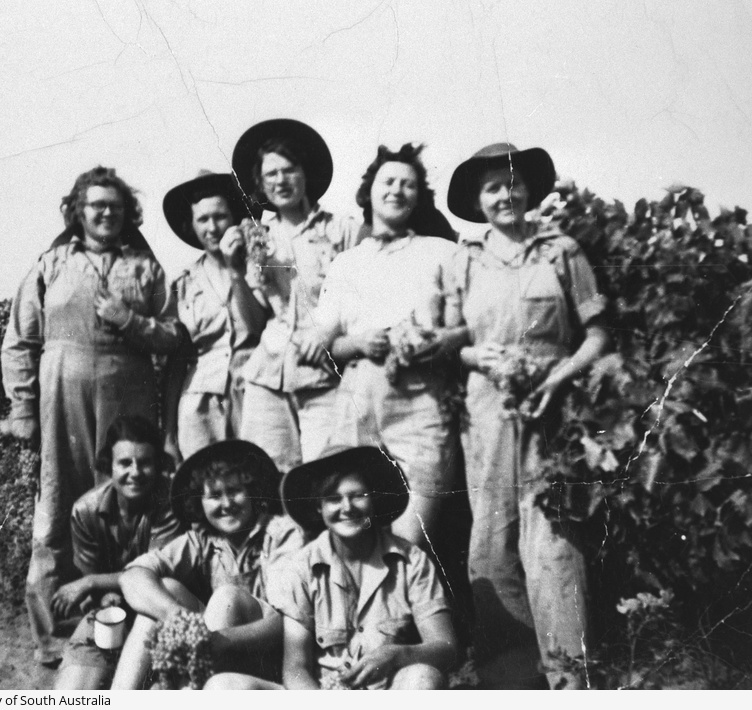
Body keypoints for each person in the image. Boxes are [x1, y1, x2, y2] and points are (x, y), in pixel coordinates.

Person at [1, 166, 182, 666]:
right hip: (62, 398)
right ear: (77, 212)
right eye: (95, 205)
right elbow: (20, 340)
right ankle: (53, 636)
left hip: (128, 395)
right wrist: (22, 407)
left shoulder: (146, 267)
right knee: (59, 501)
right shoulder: (51, 263)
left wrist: (132, 322)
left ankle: (123, 626)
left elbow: (174, 335)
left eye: (115, 207)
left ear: (128, 215)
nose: (106, 213)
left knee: (127, 498)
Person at [445, 143, 610, 689]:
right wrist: (477, 356)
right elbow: (455, 343)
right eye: (493, 187)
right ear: (478, 200)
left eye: (513, 183)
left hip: (552, 410)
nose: (505, 194)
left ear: (530, 190)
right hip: (487, 411)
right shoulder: (464, 258)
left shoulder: (560, 251)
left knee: (553, 543)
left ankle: (570, 678)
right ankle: (512, 681)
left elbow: (598, 336)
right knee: (490, 546)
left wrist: (558, 376)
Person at [309, 143, 468, 547]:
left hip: (423, 402)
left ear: (419, 196)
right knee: (353, 533)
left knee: (411, 539)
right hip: (359, 405)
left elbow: (469, 327)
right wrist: (360, 341)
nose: (397, 190)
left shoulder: (443, 253)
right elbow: (327, 347)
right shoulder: (346, 263)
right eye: (389, 181)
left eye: (408, 185)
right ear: (369, 192)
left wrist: (441, 340)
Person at [205, 446, 458, 690]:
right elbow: (296, 668)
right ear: (319, 507)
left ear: (375, 500)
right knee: (222, 686)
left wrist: (398, 655)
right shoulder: (301, 567)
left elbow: (446, 647)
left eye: (358, 495)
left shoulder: (411, 561)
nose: (347, 508)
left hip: (387, 691)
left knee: (423, 676)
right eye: (333, 499)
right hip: (320, 693)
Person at [110, 440, 306, 688]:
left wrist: (218, 641)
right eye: (214, 495)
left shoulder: (280, 533)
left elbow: (285, 623)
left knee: (228, 597)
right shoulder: (204, 539)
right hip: (213, 653)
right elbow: (132, 576)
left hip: (267, 662)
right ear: (199, 501)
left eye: (234, 491)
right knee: (166, 589)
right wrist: (177, 618)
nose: (226, 504)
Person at [230, 118, 360, 473]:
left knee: (327, 474)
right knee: (267, 475)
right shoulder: (258, 239)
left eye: (289, 170)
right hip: (269, 374)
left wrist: (328, 330)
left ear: (306, 173)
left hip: (324, 374)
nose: (281, 181)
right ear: (259, 183)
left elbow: (360, 296)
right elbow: (255, 319)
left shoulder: (343, 229)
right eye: (270, 174)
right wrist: (233, 268)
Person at [51, 415, 184, 690]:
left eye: (145, 463)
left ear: (158, 465)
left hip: (157, 609)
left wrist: (91, 582)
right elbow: (93, 582)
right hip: (110, 612)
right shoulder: (85, 510)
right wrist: (100, 591)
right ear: (109, 466)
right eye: (124, 463)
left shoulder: (169, 504)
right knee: (70, 693)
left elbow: (152, 575)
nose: (135, 472)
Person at [162, 171, 267, 461]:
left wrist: (236, 272)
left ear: (233, 218)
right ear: (191, 226)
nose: (212, 228)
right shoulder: (183, 283)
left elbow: (257, 327)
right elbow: (176, 362)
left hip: (254, 394)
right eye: (202, 220)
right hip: (199, 406)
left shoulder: (257, 267)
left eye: (220, 217)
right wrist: (169, 435)